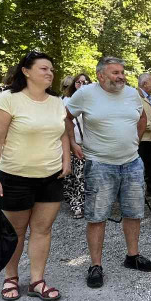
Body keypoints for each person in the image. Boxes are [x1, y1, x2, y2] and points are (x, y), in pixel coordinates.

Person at [0, 51, 70, 301]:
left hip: (51, 176)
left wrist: (66, 160)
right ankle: (11, 278)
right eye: (44, 68)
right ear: (26, 71)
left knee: (43, 230)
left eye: (52, 70)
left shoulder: (56, 102)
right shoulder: (8, 99)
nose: (50, 73)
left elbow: (62, 134)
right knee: (16, 231)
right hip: (15, 175)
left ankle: (36, 281)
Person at [65, 57, 151, 289]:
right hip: (99, 164)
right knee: (97, 216)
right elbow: (67, 117)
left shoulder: (132, 94)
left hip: (132, 162)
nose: (121, 76)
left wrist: (134, 140)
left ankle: (132, 256)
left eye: (122, 72)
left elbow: (142, 117)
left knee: (133, 212)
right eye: (115, 72)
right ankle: (95, 265)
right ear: (101, 75)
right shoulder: (85, 94)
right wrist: (73, 143)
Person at [60, 72, 92, 218]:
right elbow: (64, 124)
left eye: (85, 82)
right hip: (75, 144)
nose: (82, 85)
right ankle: (77, 205)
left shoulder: (93, 101)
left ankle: (83, 203)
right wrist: (71, 144)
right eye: (79, 82)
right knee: (77, 176)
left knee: (88, 176)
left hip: (92, 145)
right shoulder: (67, 101)